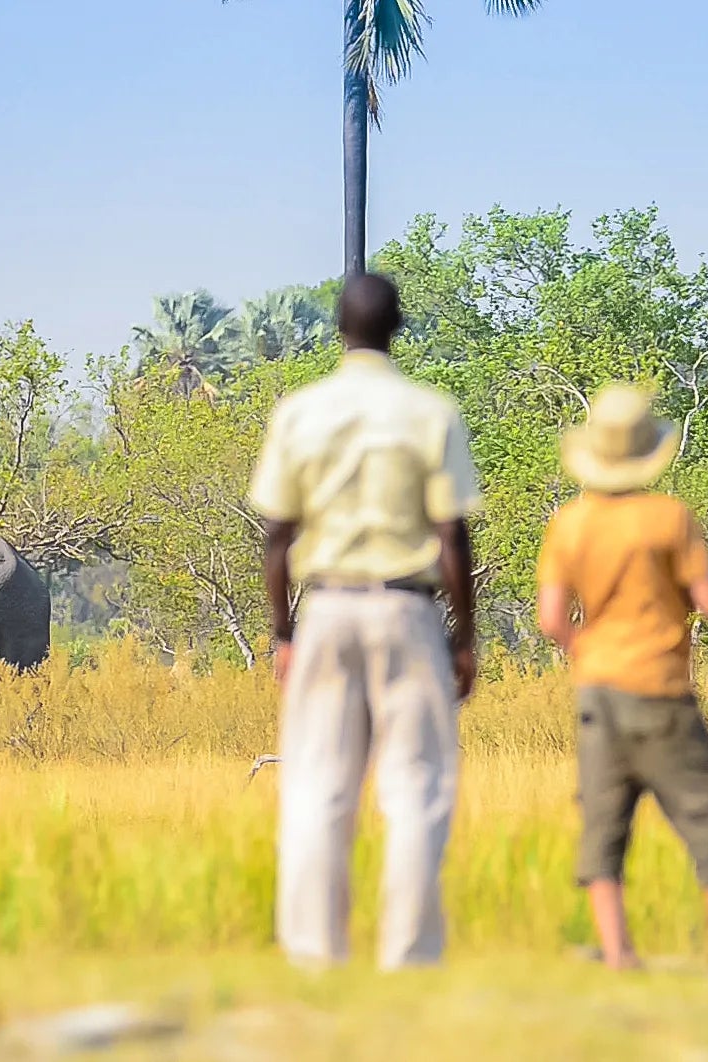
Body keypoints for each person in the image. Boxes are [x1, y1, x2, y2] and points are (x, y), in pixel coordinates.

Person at [248, 272, 482, 971]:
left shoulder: (300, 412)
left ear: (339, 329)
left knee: (318, 783)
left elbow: (276, 538)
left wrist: (283, 632)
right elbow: (452, 537)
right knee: (416, 785)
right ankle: (409, 956)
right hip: (407, 608)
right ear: (398, 326)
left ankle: (314, 955)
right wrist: (463, 635)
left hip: (324, 606)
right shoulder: (430, 412)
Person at [535, 384, 708, 977]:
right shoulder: (668, 518)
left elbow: (551, 619)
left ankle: (617, 953)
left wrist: (585, 647)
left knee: (604, 819)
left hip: (597, 690)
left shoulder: (569, 523)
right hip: (659, 688)